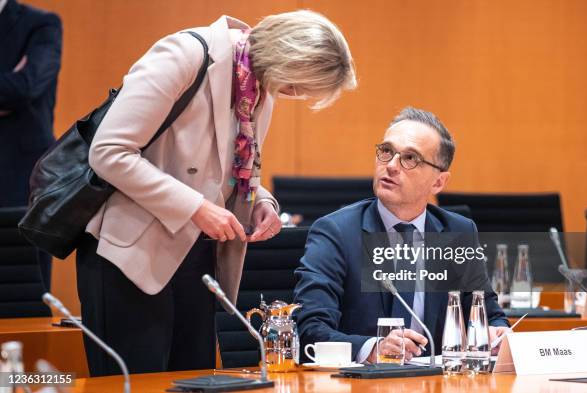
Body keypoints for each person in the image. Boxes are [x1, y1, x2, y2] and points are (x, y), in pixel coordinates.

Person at [77, 10, 356, 376]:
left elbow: (230, 167)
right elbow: (108, 153)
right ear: (287, 56)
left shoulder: (258, 85)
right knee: (136, 383)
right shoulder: (184, 56)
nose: (295, 95)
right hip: (131, 254)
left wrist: (261, 202)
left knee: (194, 381)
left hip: (197, 257)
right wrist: (196, 207)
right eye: (298, 86)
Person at [293, 107, 510, 364]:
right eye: (386, 151)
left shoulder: (458, 232)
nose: (392, 165)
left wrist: (496, 331)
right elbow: (309, 328)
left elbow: (486, 310)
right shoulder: (336, 232)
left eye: (410, 158)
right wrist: (374, 349)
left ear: (438, 182)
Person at [0, 0, 62, 291]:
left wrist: (15, 86)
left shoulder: (41, 23)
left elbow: (25, 86)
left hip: (20, 172)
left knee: (22, 286)